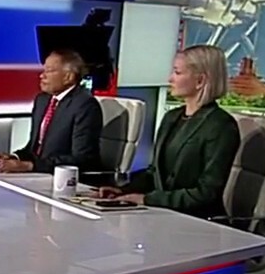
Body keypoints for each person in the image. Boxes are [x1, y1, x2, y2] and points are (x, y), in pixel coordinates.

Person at [98, 45, 240, 217]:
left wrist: (148, 199)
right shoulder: (171, 117)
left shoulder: (221, 126)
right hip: (161, 213)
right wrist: (122, 190)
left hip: (196, 219)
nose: (170, 79)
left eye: (177, 73)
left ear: (200, 81)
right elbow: (154, 173)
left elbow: (206, 193)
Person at [0, 49, 103, 174]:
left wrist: (29, 166)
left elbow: (82, 159)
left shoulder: (85, 105)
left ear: (68, 77)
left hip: (64, 178)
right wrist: (14, 157)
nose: (42, 76)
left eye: (49, 71)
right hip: (38, 174)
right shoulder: (42, 100)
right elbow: (35, 148)